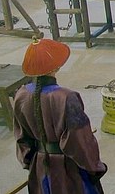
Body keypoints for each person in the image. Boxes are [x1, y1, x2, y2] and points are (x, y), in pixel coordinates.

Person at [13, 37, 107, 193]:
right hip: (67, 171)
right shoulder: (66, 97)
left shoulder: (21, 95)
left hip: (40, 168)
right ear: (56, 67)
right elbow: (80, 142)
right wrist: (95, 168)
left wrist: (32, 163)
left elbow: (21, 138)